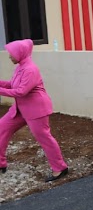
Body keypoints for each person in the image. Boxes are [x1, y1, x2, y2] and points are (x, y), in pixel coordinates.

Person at [0, 39, 68, 182]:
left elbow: (21, 91)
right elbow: (12, 84)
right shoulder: (20, 67)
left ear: (20, 53)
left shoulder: (30, 69)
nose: (9, 56)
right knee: (1, 128)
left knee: (44, 138)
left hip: (36, 109)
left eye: (11, 53)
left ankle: (60, 168)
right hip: (20, 108)